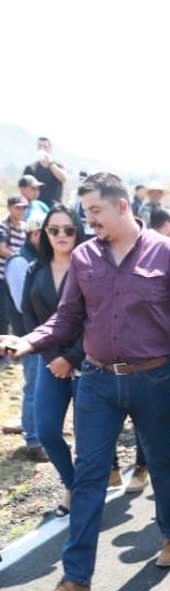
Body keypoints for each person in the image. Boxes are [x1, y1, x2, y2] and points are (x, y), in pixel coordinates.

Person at [1, 172, 170, 591]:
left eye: (95, 210)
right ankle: (75, 579)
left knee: (161, 460)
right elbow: (67, 319)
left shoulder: (169, 254)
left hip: (152, 380)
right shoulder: (84, 257)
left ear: (122, 206)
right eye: (86, 211)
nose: (89, 219)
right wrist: (28, 341)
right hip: (96, 381)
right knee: (89, 475)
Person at [21, 206, 86, 515]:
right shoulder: (35, 269)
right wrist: (53, 357)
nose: (61, 235)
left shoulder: (91, 267)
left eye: (68, 229)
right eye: (54, 230)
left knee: (88, 438)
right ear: (44, 233)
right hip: (49, 361)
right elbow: (29, 317)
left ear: (78, 232)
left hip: (88, 360)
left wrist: (72, 357)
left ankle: (87, 495)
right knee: (46, 430)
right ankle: (72, 485)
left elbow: (99, 319)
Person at [5, 213, 47, 461]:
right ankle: (33, 439)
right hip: (29, 338)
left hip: (43, 336)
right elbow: (24, 305)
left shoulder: (41, 260)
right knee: (34, 387)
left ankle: (39, 432)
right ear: (33, 235)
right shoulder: (21, 262)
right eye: (46, 232)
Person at [0, 196, 29, 339]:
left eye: (24, 208)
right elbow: (2, 249)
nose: (21, 211)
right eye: (18, 207)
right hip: (2, 276)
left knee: (17, 313)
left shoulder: (25, 227)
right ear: (9, 208)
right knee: (3, 314)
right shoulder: (3, 226)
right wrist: (18, 260)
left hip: (18, 277)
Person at [23, 137, 67, 206]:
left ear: (50, 149)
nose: (42, 149)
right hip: (36, 207)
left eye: (45, 147)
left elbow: (64, 179)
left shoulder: (58, 166)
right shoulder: (30, 168)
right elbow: (24, 188)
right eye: (39, 146)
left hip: (54, 207)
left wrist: (50, 164)